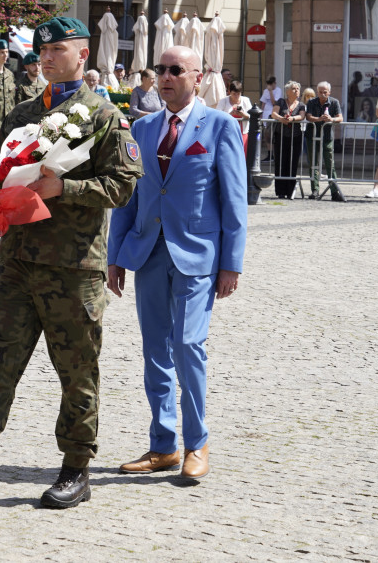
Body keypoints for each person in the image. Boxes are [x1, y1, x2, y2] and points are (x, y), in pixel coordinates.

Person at [0, 16, 142, 510]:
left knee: (77, 372)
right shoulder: (22, 112)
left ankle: (75, 469)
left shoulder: (104, 116)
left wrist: (65, 186)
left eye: (57, 49)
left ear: (82, 55)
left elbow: (124, 187)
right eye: (42, 51)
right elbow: (2, 169)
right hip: (18, 260)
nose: (46, 58)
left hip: (72, 267)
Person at [107, 45, 247, 481]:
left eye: (176, 70)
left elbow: (234, 200)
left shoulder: (221, 126)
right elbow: (127, 194)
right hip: (148, 253)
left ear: (198, 76)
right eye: (161, 70)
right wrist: (115, 255)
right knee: (155, 352)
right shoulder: (143, 127)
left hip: (198, 257)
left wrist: (232, 263)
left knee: (188, 347)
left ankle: (197, 443)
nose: (166, 77)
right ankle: (162, 445)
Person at [304, 81, 346, 202]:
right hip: (312, 135)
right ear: (317, 92)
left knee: (330, 164)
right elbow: (308, 116)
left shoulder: (334, 102)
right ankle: (315, 190)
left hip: (327, 136)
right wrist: (319, 119)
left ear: (329, 92)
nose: (322, 94)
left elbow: (340, 118)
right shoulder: (312, 102)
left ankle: (334, 191)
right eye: (320, 92)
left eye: (325, 92)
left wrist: (331, 119)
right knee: (313, 164)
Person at [271, 80, 305, 199]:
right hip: (281, 136)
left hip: (295, 137)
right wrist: (282, 119)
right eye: (294, 89)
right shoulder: (280, 101)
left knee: (292, 163)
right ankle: (280, 191)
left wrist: (292, 118)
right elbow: (273, 114)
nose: (297, 91)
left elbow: (302, 116)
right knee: (280, 163)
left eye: (298, 89)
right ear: (287, 91)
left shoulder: (300, 104)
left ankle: (290, 190)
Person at [215, 80, 251, 151]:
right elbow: (218, 116)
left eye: (238, 94)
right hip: (227, 133)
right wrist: (230, 114)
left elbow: (252, 116)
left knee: (243, 152)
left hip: (242, 132)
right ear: (229, 92)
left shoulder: (246, 100)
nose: (236, 96)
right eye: (234, 94)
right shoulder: (223, 101)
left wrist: (243, 114)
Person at [259, 75, 281, 161]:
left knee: (273, 135)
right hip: (266, 115)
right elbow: (263, 103)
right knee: (267, 135)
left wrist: (271, 92)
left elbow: (274, 102)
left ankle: (275, 154)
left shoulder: (278, 90)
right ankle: (269, 154)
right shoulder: (265, 91)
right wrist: (261, 114)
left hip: (273, 114)